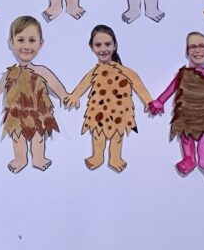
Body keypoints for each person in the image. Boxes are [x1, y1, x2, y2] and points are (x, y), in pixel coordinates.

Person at [0, 15, 68, 173]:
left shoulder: (41, 70)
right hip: (16, 113)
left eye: (32, 40)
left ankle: (38, 159)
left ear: (41, 43)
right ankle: (20, 159)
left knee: (38, 136)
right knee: (17, 137)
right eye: (21, 40)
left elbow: (54, 83)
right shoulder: (10, 73)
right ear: (11, 43)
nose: (26, 45)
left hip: (38, 112)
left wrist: (64, 95)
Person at [64, 24, 152, 172]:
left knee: (117, 136)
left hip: (119, 110)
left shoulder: (124, 71)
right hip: (98, 109)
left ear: (115, 45)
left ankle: (115, 158)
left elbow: (137, 83)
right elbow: (84, 83)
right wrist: (74, 95)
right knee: (97, 135)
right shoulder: (94, 71)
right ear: (91, 47)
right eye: (98, 45)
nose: (103, 49)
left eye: (108, 44)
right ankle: (97, 157)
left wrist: (148, 101)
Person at [148, 32, 204, 175]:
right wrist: (159, 101)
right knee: (185, 137)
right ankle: (188, 159)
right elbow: (171, 88)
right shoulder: (182, 73)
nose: (197, 50)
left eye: (202, 46)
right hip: (185, 112)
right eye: (193, 47)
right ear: (187, 52)